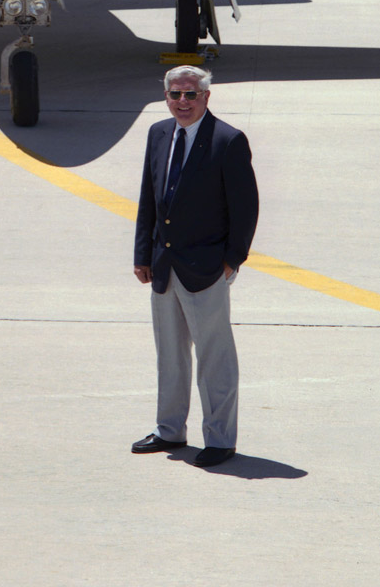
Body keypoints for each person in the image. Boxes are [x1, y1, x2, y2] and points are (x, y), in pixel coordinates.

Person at [132, 65, 258, 468]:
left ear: (206, 97)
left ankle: (220, 439)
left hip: (206, 269)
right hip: (164, 265)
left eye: (190, 95)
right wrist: (142, 255)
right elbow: (148, 200)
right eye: (174, 94)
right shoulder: (158, 134)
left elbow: (245, 209)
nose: (181, 102)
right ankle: (170, 429)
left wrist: (231, 261)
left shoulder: (228, 140)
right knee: (169, 354)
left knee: (214, 357)